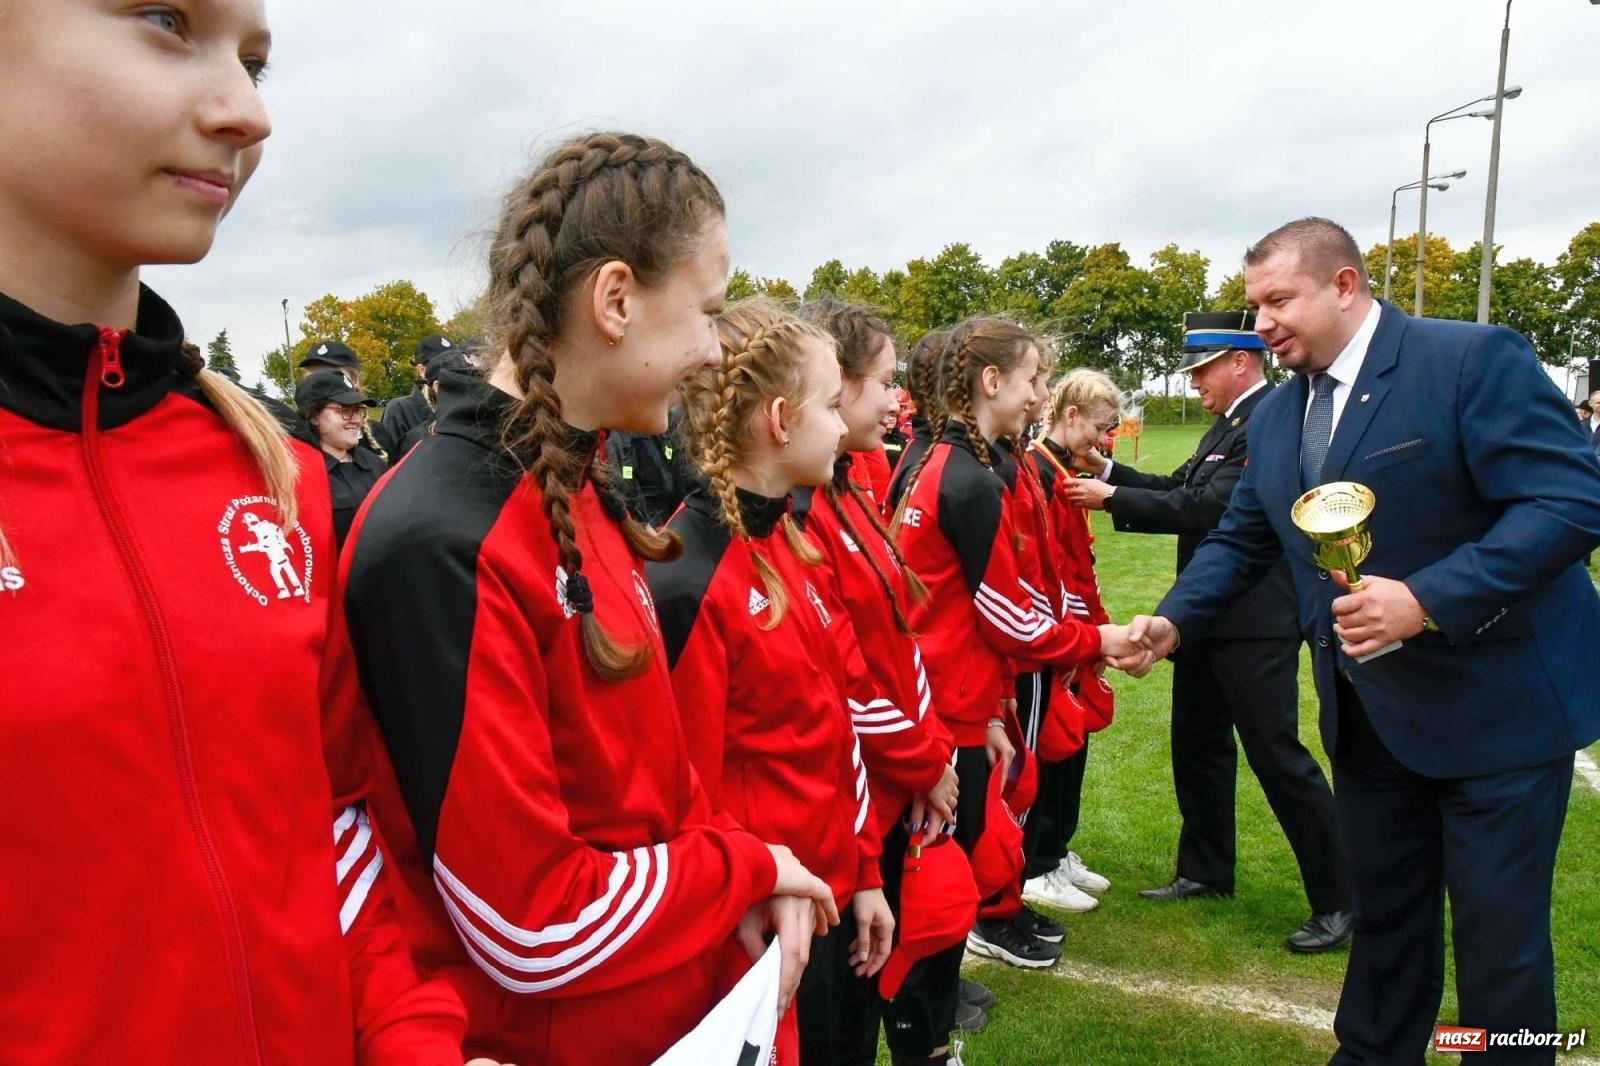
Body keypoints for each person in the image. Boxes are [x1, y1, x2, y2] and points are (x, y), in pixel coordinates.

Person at [0, 2, 491, 1062]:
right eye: (166, 21)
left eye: (257, 62)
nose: (244, 111)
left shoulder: (268, 476)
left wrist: (412, 1041)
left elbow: (334, 830)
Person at [340, 132, 837, 1066]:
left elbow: (658, 786)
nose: (708, 352)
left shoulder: (578, 489)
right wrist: (749, 864)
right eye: (707, 311)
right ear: (615, 300)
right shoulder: (442, 535)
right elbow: (531, 924)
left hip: (671, 1016)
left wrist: (735, 870)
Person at [1129, 218, 1600, 1064]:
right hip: (1369, 718)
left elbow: (1569, 502)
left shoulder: (1469, 358)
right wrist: (1174, 620)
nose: (1262, 322)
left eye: (1279, 300)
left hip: (1496, 715)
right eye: (1254, 304)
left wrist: (1428, 598)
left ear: (1344, 286)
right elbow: (1243, 539)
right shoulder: (1275, 416)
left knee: (1499, 954)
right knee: (1385, 929)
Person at [653, 301, 892, 1066]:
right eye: (830, 404)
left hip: (824, 901)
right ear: (782, 419)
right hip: (757, 929)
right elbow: (679, 791)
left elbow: (836, 729)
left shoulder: (788, 543)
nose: (842, 421)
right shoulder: (687, 574)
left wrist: (862, 873)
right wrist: (744, 892)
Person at [1067, 314, 1353, 953]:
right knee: (1197, 745)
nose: (1194, 382)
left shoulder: (1272, 417)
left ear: (1241, 363)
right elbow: (1182, 487)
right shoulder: (1232, 422)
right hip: (1204, 618)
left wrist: (1109, 499)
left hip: (1254, 621)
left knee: (1276, 756)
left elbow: (1213, 508)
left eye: (1202, 370)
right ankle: (1204, 870)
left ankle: (1341, 898)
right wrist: (1112, 476)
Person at [793, 297, 980, 1063]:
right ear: (831, 387)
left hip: (890, 789)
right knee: (840, 1015)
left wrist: (931, 753)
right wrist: (929, 760)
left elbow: (899, 644)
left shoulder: (848, 492)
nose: (896, 400)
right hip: (851, 805)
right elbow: (847, 681)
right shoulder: (804, 513)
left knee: (866, 1001)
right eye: (882, 381)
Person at [296, 370, 388, 550]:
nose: (355, 420)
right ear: (314, 416)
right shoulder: (301, 473)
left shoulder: (373, 463)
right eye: (344, 411)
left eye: (358, 411)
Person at [394, 350, 476, 462]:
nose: (476, 384)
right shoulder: (415, 441)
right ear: (438, 387)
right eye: (465, 379)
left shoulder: (490, 429)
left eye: (477, 378)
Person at [381, 334, 457, 448]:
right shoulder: (399, 410)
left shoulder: (460, 408)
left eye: (456, 364)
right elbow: (390, 461)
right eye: (444, 366)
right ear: (422, 371)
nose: (453, 372)